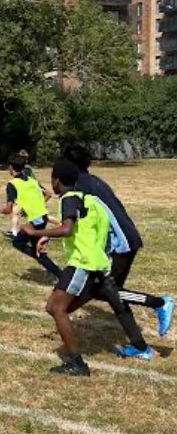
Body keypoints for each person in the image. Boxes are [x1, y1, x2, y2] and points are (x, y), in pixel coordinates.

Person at [23, 158, 153, 376]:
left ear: (56, 180)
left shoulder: (68, 199)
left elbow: (67, 229)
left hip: (82, 263)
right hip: (93, 262)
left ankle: (77, 363)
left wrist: (35, 232)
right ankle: (78, 354)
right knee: (58, 308)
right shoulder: (88, 199)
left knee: (56, 308)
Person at [62, 144, 174, 343]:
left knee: (106, 290)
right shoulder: (93, 181)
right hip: (127, 238)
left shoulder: (80, 187)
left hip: (120, 244)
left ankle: (158, 303)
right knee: (113, 293)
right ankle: (139, 346)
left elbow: (81, 224)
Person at [0, 155, 61, 278]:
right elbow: (48, 194)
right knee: (29, 246)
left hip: (35, 221)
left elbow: (8, 209)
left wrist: (1, 209)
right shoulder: (32, 181)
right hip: (42, 217)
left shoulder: (12, 184)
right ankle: (56, 271)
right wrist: (34, 207)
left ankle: (61, 275)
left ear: (11, 168)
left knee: (19, 243)